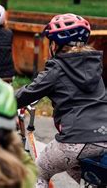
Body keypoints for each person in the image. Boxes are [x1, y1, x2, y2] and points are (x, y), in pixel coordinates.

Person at [16, 13, 107, 188]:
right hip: (104, 137)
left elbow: (29, 93)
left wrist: (2, 102)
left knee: (39, 171)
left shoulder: (57, 67)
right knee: (90, 180)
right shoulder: (94, 66)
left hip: (75, 139)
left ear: (55, 45)